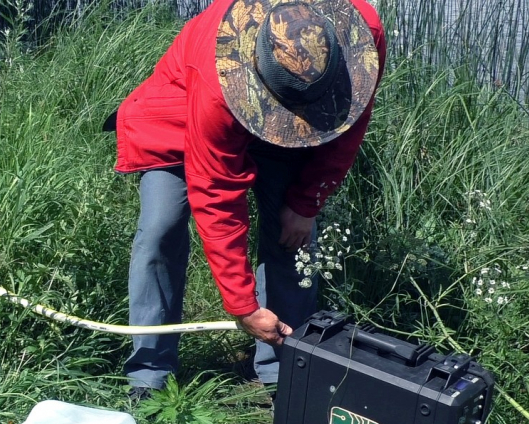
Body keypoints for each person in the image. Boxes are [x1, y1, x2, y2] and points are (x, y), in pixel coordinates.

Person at [106, 0, 386, 397]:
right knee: (160, 229)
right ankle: (149, 374)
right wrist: (242, 305)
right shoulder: (216, 82)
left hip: (301, 116)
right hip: (187, 116)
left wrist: (306, 203)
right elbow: (217, 195)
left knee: (292, 237)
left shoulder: (362, 37)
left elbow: (349, 124)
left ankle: (283, 372)